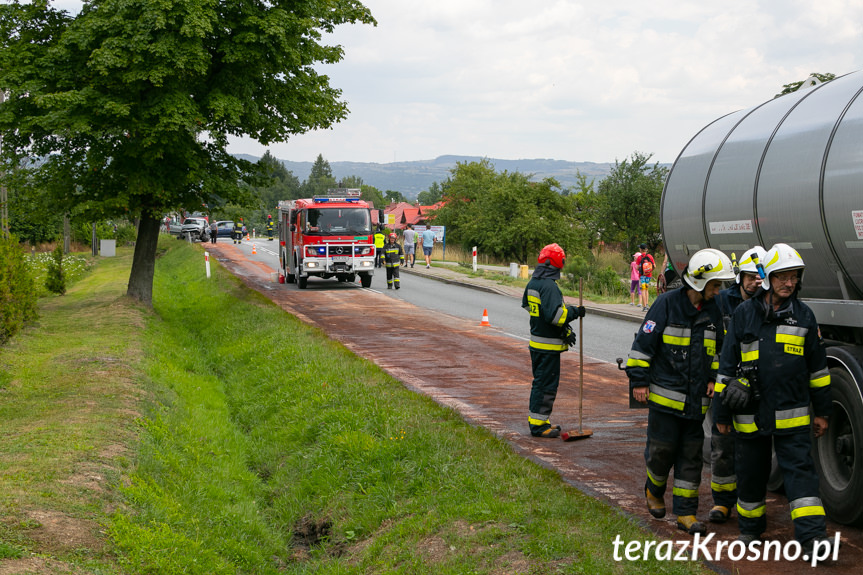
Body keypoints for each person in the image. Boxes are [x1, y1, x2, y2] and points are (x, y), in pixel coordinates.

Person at [714, 243, 833, 555]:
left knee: (801, 476)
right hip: (749, 414)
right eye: (783, 277)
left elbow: (818, 372)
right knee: (751, 474)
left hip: (792, 415)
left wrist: (822, 412)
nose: (789, 283)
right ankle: (751, 532)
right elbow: (726, 368)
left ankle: (811, 539)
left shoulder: (805, 316)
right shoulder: (744, 314)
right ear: (767, 278)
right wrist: (722, 417)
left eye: (794, 277)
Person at [626, 248, 735, 535]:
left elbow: (719, 349)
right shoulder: (665, 304)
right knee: (662, 452)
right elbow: (643, 345)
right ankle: (654, 488)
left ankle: (686, 514)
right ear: (699, 282)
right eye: (714, 284)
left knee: (690, 458)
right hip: (664, 400)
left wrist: (713, 377)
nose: (718, 290)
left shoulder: (713, 310)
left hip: (696, 403)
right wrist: (638, 381)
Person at [706, 246, 767, 525]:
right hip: (723, 383)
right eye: (751, 277)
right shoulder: (721, 303)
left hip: (755, 387)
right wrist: (711, 378)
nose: (756, 282)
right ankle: (722, 502)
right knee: (722, 442)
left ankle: (750, 500)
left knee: (752, 448)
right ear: (740, 276)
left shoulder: (766, 305)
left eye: (760, 277)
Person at [521, 243, 586, 438]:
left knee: (540, 383)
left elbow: (529, 307)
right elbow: (556, 316)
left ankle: (540, 419)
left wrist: (563, 331)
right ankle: (539, 426)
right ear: (558, 261)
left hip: (537, 344)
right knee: (546, 385)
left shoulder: (533, 283)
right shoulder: (550, 287)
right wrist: (575, 312)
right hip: (548, 347)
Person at [636, 244, 656, 311]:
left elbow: (636, 267)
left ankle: (644, 306)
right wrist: (649, 271)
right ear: (646, 249)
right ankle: (647, 304)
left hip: (642, 276)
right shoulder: (650, 256)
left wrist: (640, 268)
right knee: (646, 289)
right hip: (648, 276)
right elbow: (654, 266)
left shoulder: (639, 257)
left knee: (643, 290)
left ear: (640, 250)